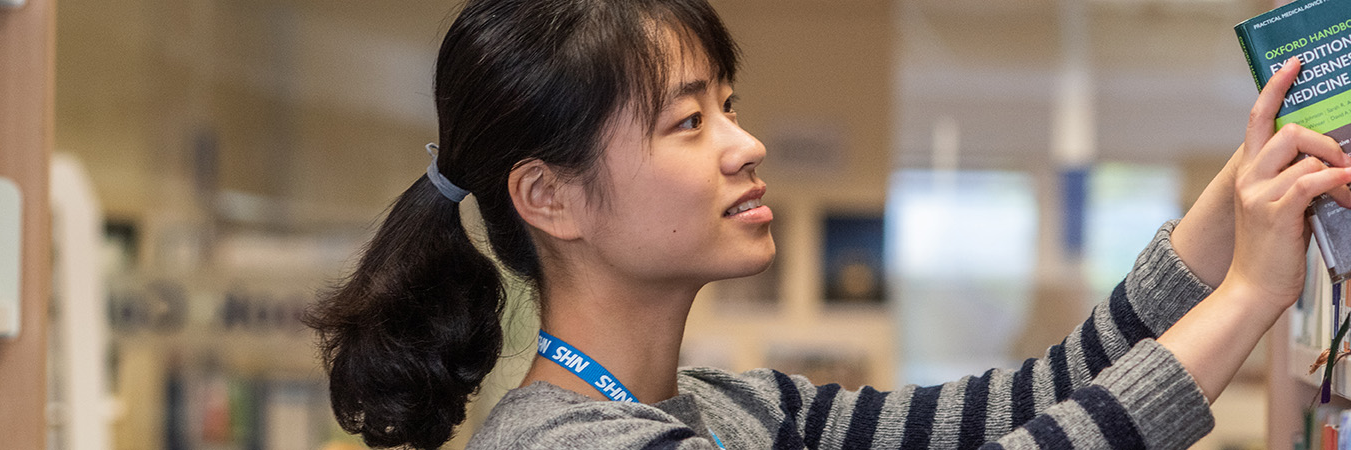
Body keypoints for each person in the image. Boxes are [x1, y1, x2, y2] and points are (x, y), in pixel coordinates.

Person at [303, 0, 1351, 448]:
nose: (743, 144)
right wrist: (1253, 297)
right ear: (551, 197)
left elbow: (1027, 406)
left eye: (730, 104)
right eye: (688, 120)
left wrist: (1242, 187)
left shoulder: (729, 408)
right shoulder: (566, 442)